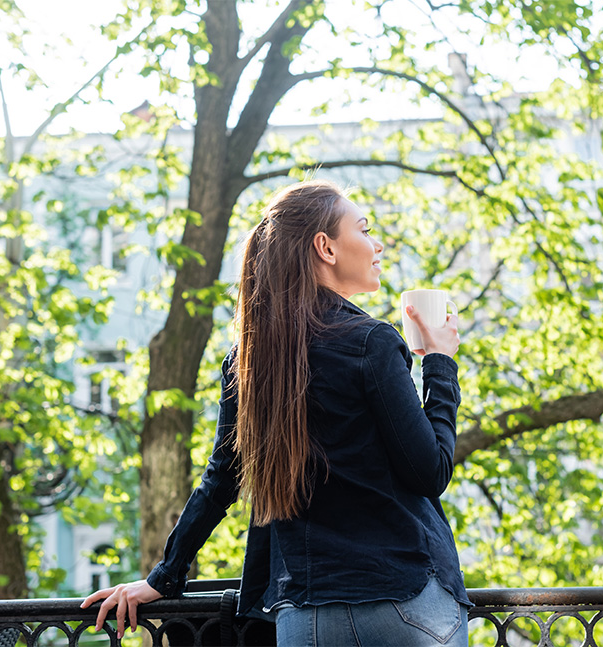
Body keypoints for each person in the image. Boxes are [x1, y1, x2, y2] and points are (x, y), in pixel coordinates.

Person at [81, 180, 469, 646]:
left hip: (304, 618)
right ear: (324, 247)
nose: (376, 243)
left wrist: (165, 576)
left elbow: (221, 477)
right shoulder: (373, 342)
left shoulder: (249, 358)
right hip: (403, 604)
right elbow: (430, 472)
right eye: (364, 230)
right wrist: (440, 365)